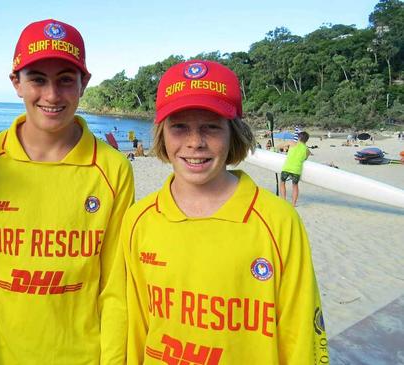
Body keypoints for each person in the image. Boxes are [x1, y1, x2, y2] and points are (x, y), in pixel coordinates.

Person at [120, 60, 327, 364]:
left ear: (234, 134)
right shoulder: (139, 220)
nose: (195, 142)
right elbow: (134, 327)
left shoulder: (278, 222)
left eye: (211, 127)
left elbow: (302, 335)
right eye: (179, 127)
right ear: (162, 133)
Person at [0, 19, 134, 365]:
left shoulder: (113, 170)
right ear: (16, 83)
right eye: (38, 79)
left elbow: (116, 288)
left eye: (66, 80)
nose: (52, 95)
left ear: (84, 84)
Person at [280, 131, 312, 206]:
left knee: (282, 183)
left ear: (299, 138)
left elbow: (279, 146)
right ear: (306, 140)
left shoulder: (292, 143)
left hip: (287, 168)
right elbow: (305, 158)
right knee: (295, 186)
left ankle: (284, 201)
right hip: (297, 170)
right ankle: (293, 204)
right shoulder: (307, 150)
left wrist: (283, 148)